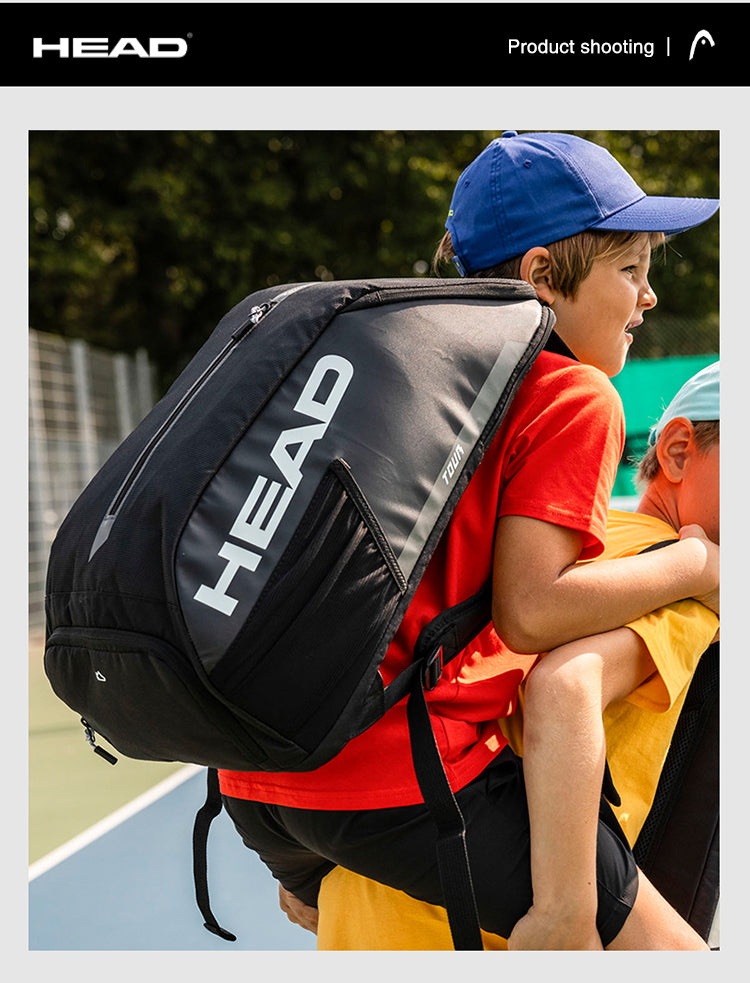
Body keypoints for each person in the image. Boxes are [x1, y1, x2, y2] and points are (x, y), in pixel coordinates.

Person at [219, 132, 720, 950]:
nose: (649, 294)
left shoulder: (410, 372)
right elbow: (532, 610)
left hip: (263, 773)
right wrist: (694, 562)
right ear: (542, 276)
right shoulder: (571, 392)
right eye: (630, 268)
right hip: (390, 778)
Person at [307, 362, 720, 951]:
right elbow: (567, 686)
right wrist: (567, 909)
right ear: (677, 452)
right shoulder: (681, 584)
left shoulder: (527, 551)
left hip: (363, 895)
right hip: (484, 927)